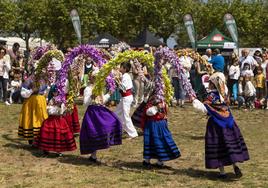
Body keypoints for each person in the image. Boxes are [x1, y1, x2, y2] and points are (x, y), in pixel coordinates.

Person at [192, 72, 249, 178]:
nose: (208, 84)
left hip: (215, 124)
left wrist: (195, 101)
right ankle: (235, 165)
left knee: (218, 146)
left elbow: (205, 109)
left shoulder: (211, 96)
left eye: (210, 82)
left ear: (213, 84)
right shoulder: (224, 94)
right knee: (228, 144)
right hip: (228, 123)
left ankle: (222, 173)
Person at [80, 74, 122, 162]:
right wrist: (91, 96)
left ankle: (106, 143)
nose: (95, 79)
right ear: (90, 79)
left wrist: (109, 94)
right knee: (93, 132)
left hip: (100, 110)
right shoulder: (88, 89)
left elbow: (102, 100)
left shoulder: (99, 88)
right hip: (92, 112)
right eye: (94, 78)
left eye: (97, 78)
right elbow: (85, 103)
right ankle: (93, 155)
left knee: (114, 121)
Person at [142, 90, 181, 167]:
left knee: (161, 141)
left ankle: (160, 161)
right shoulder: (151, 102)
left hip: (160, 124)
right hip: (152, 124)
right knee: (151, 141)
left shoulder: (162, 101)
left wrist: (160, 107)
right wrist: (156, 107)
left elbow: (162, 111)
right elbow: (148, 112)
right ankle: (147, 161)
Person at [34, 85, 77, 156]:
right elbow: (48, 110)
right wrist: (54, 107)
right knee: (47, 133)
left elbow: (63, 112)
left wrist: (63, 108)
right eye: (54, 91)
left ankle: (59, 150)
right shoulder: (51, 100)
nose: (56, 93)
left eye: (57, 92)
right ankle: (45, 149)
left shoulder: (62, 101)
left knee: (60, 134)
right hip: (51, 120)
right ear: (52, 92)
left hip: (59, 119)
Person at [18, 80, 48, 145]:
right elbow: (23, 94)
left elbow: (45, 91)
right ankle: (31, 139)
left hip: (40, 102)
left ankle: (41, 138)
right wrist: (32, 90)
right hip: (30, 103)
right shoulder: (28, 81)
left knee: (41, 119)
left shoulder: (44, 79)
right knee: (30, 120)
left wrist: (45, 96)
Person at [114, 62, 138, 139]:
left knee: (126, 116)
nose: (119, 68)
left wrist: (117, 81)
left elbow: (123, 89)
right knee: (116, 113)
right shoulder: (125, 76)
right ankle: (118, 129)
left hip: (126, 98)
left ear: (124, 68)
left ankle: (133, 133)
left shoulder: (125, 76)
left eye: (120, 67)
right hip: (125, 98)